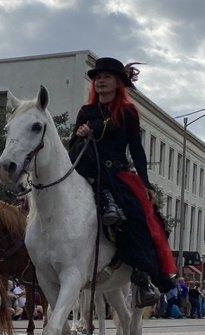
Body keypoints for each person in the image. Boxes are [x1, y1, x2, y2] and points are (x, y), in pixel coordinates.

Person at [68, 57, 177, 307]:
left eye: (106, 77)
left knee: (139, 217)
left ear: (118, 82)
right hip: (86, 169)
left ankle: (142, 276)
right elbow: (71, 147)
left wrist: (146, 184)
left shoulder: (127, 112)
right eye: (97, 77)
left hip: (116, 173)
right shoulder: (86, 112)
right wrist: (79, 135)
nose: (100, 81)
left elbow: (137, 150)